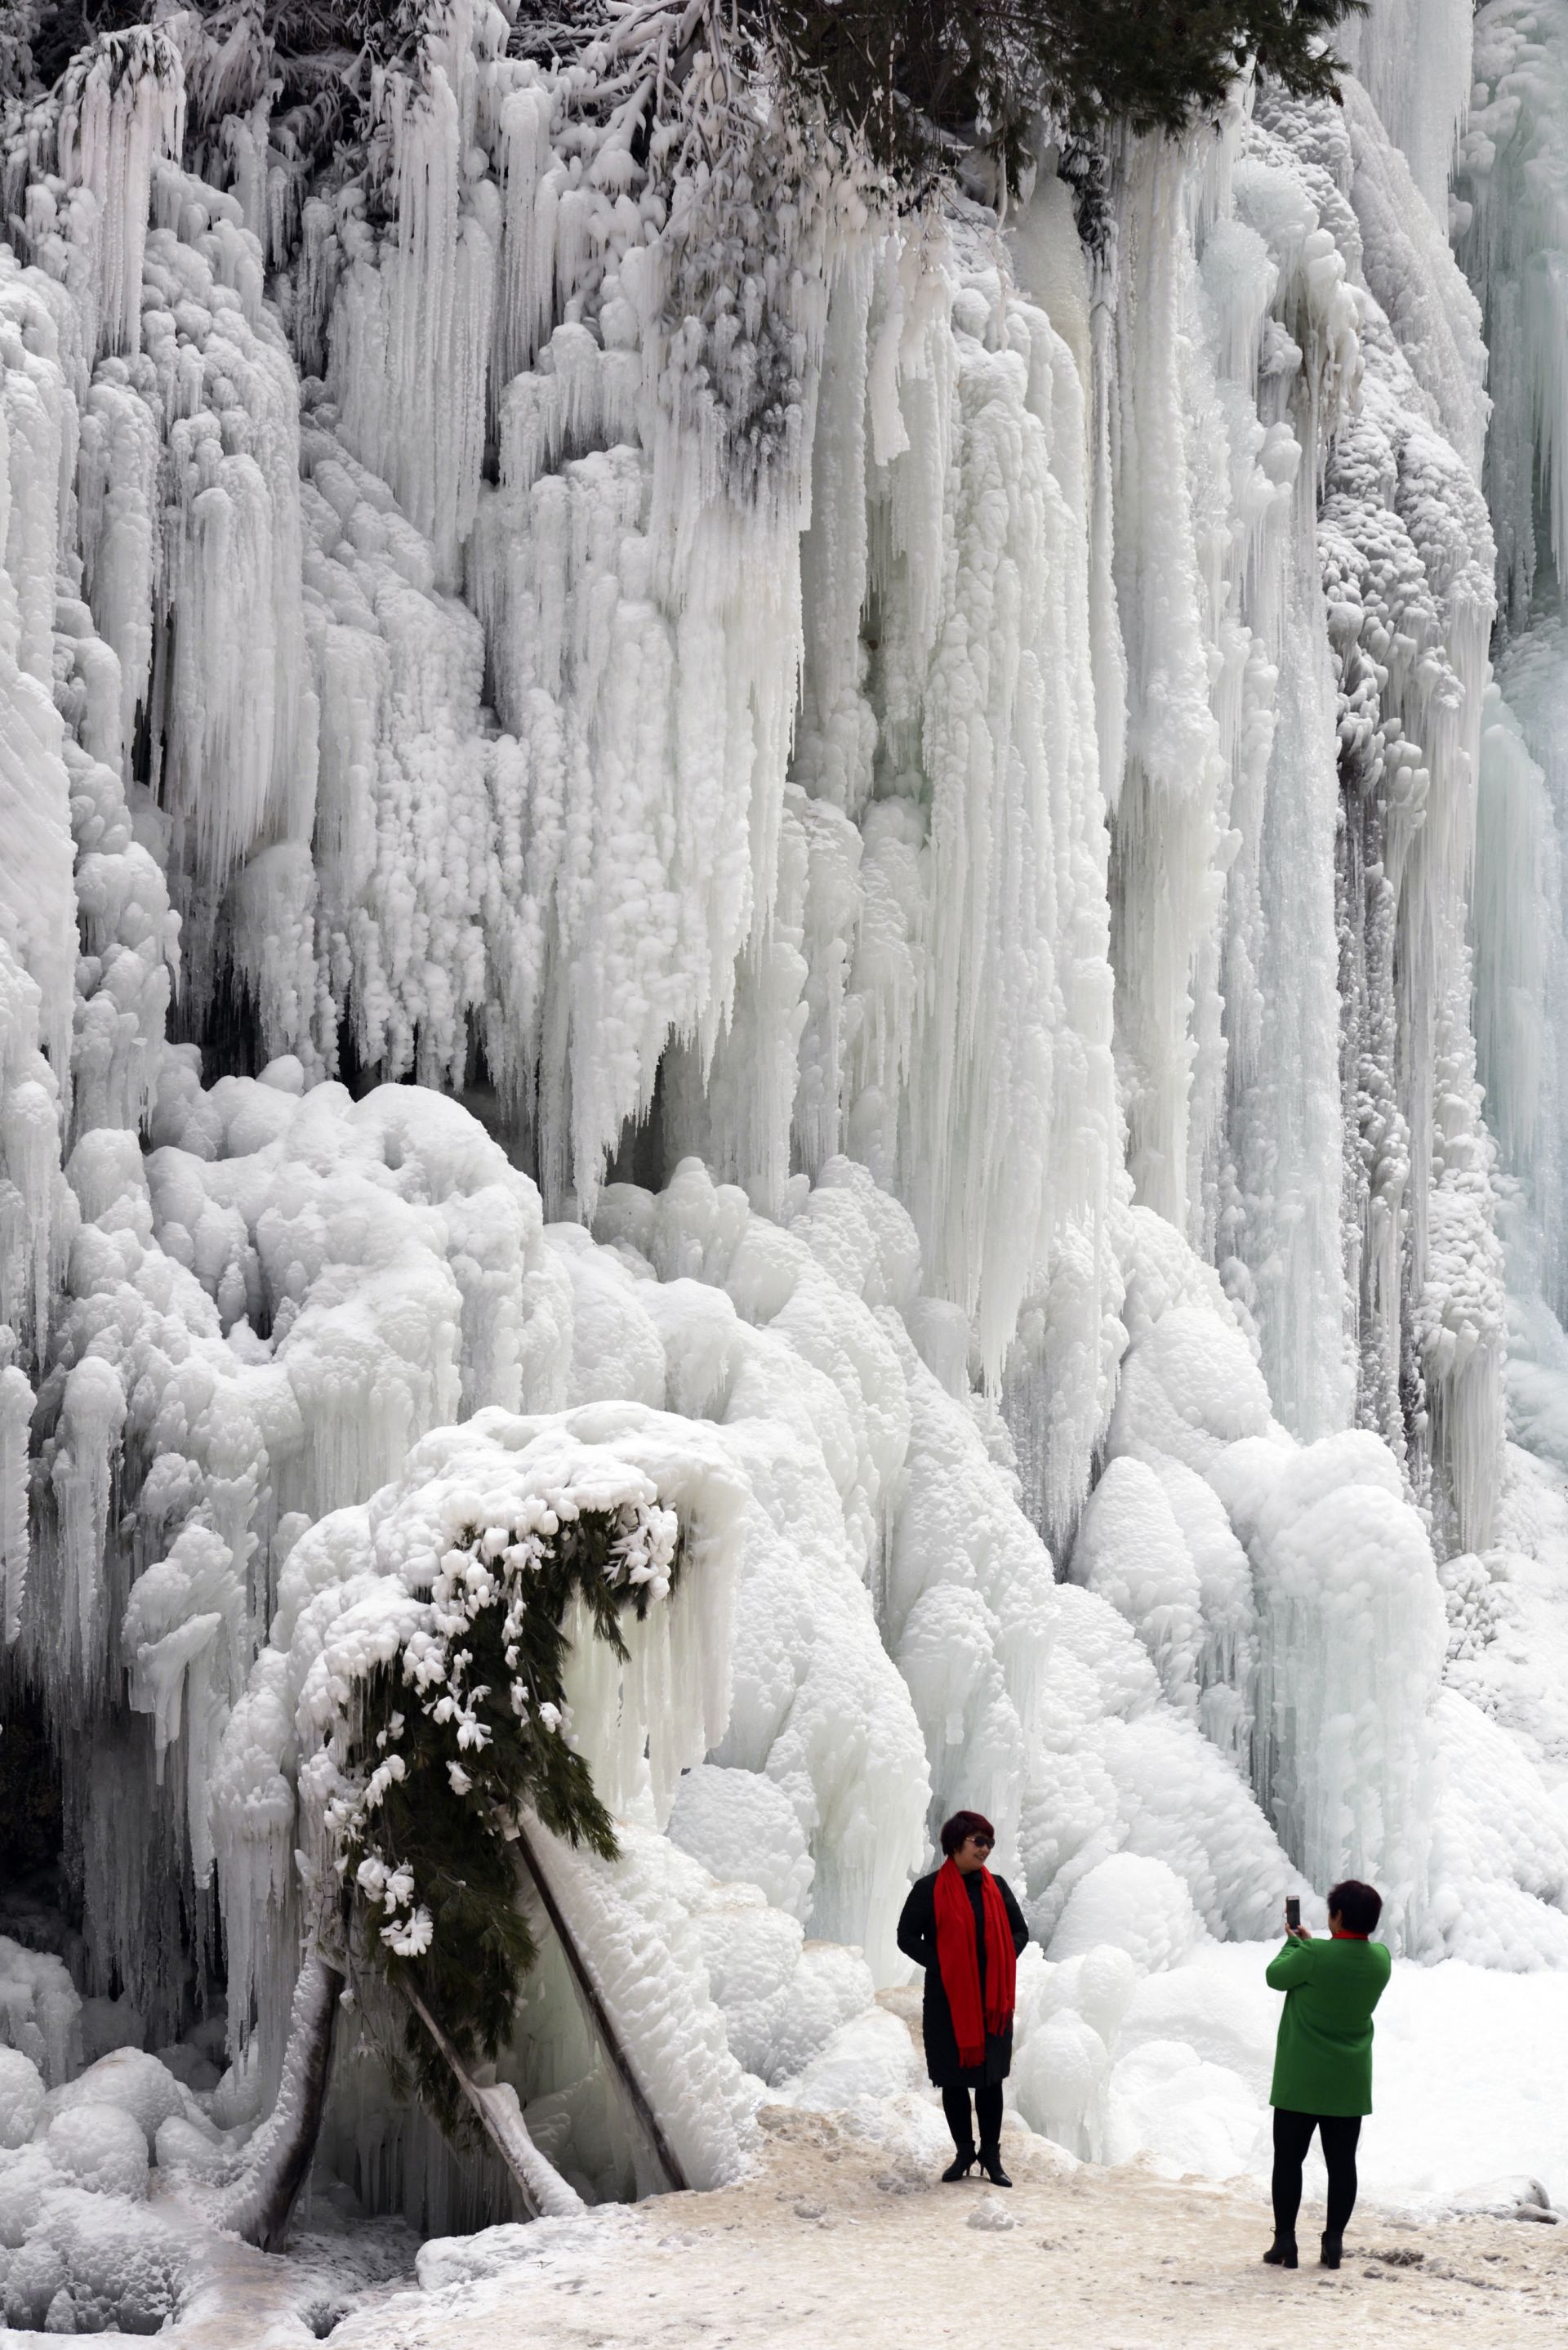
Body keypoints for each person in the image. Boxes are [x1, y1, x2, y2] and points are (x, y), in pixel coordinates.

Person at [1263, 1879, 1391, 2271]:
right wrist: (1312, 1945)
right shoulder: (1381, 1959)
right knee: (1342, 2164)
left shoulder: (1312, 1954)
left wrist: (1295, 1942)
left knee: (1288, 2161)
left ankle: (1285, 2240)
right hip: (1348, 2081)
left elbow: (1276, 1976)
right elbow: (1342, 1958)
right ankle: (1333, 2241)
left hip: (1300, 2080)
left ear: (1337, 1916)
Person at [896, 1810, 1029, 2186]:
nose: (986, 1849)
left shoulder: (998, 1887)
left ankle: (991, 2156)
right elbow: (906, 1937)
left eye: (990, 1842)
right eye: (979, 1841)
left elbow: (1020, 1931)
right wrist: (945, 1965)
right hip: (948, 2001)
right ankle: (964, 2152)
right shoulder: (928, 1889)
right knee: (954, 2082)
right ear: (956, 1844)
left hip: (991, 2004)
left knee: (990, 2081)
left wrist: (1000, 1959)